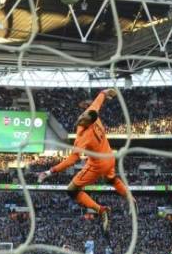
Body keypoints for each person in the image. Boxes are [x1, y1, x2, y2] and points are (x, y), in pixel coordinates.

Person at [37, 89, 130, 234]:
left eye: (84, 117)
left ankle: (101, 209)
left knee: (72, 190)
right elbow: (99, 100)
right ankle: (125, 199)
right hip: (108, 158)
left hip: (97, 165)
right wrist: (106, 92)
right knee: (111, 179)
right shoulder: (93, 114)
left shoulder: (85, 136)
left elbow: (73, 159)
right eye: (82, 114)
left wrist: (49, 172)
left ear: (89, 122)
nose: (81, 117)